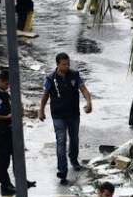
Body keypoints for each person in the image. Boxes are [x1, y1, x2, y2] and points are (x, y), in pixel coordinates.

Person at [38, 53, 93, 185]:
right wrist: (41, 110)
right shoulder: (50, 79)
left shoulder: (75, 75)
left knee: (74, 138)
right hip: (58, 115)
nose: (67, 66)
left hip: (73, 114)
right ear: (57, 64)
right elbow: (45, 95)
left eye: (68, 64)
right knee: (61, 141)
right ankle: (62, 170)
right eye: (64, 64)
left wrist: (89, 102)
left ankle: (73, 160)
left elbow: (84, 90)